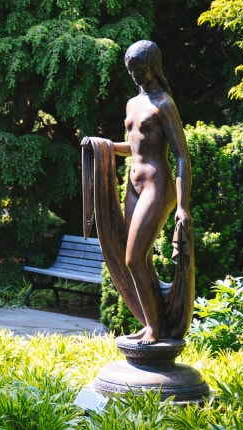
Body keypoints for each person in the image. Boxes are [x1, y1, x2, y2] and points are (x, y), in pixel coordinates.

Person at [82, 40, 194, 345]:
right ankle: (151, 323)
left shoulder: (164, 105)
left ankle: (157, 328)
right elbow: (132, 149)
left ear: (154, 67)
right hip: (134, 186)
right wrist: (101, 144)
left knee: (132, 258)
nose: (135, 75)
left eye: (140, 69)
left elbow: (181, 155)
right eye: (130, 69)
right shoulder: (133, 104)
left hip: (158, 186)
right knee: (137, 258)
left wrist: (182, 207)